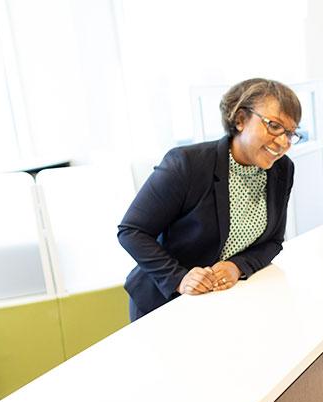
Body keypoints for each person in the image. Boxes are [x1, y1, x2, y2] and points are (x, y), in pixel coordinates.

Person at [118, 78, 302, 320]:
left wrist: (237, 266)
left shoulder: (281, 170)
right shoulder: (186, 164)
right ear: (240, 120)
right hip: (164, 304)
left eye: (290, 132)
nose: (283, 142)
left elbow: (274, 241)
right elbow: (131, 230)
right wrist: (178, 278)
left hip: (221, 303)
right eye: (274, 126)